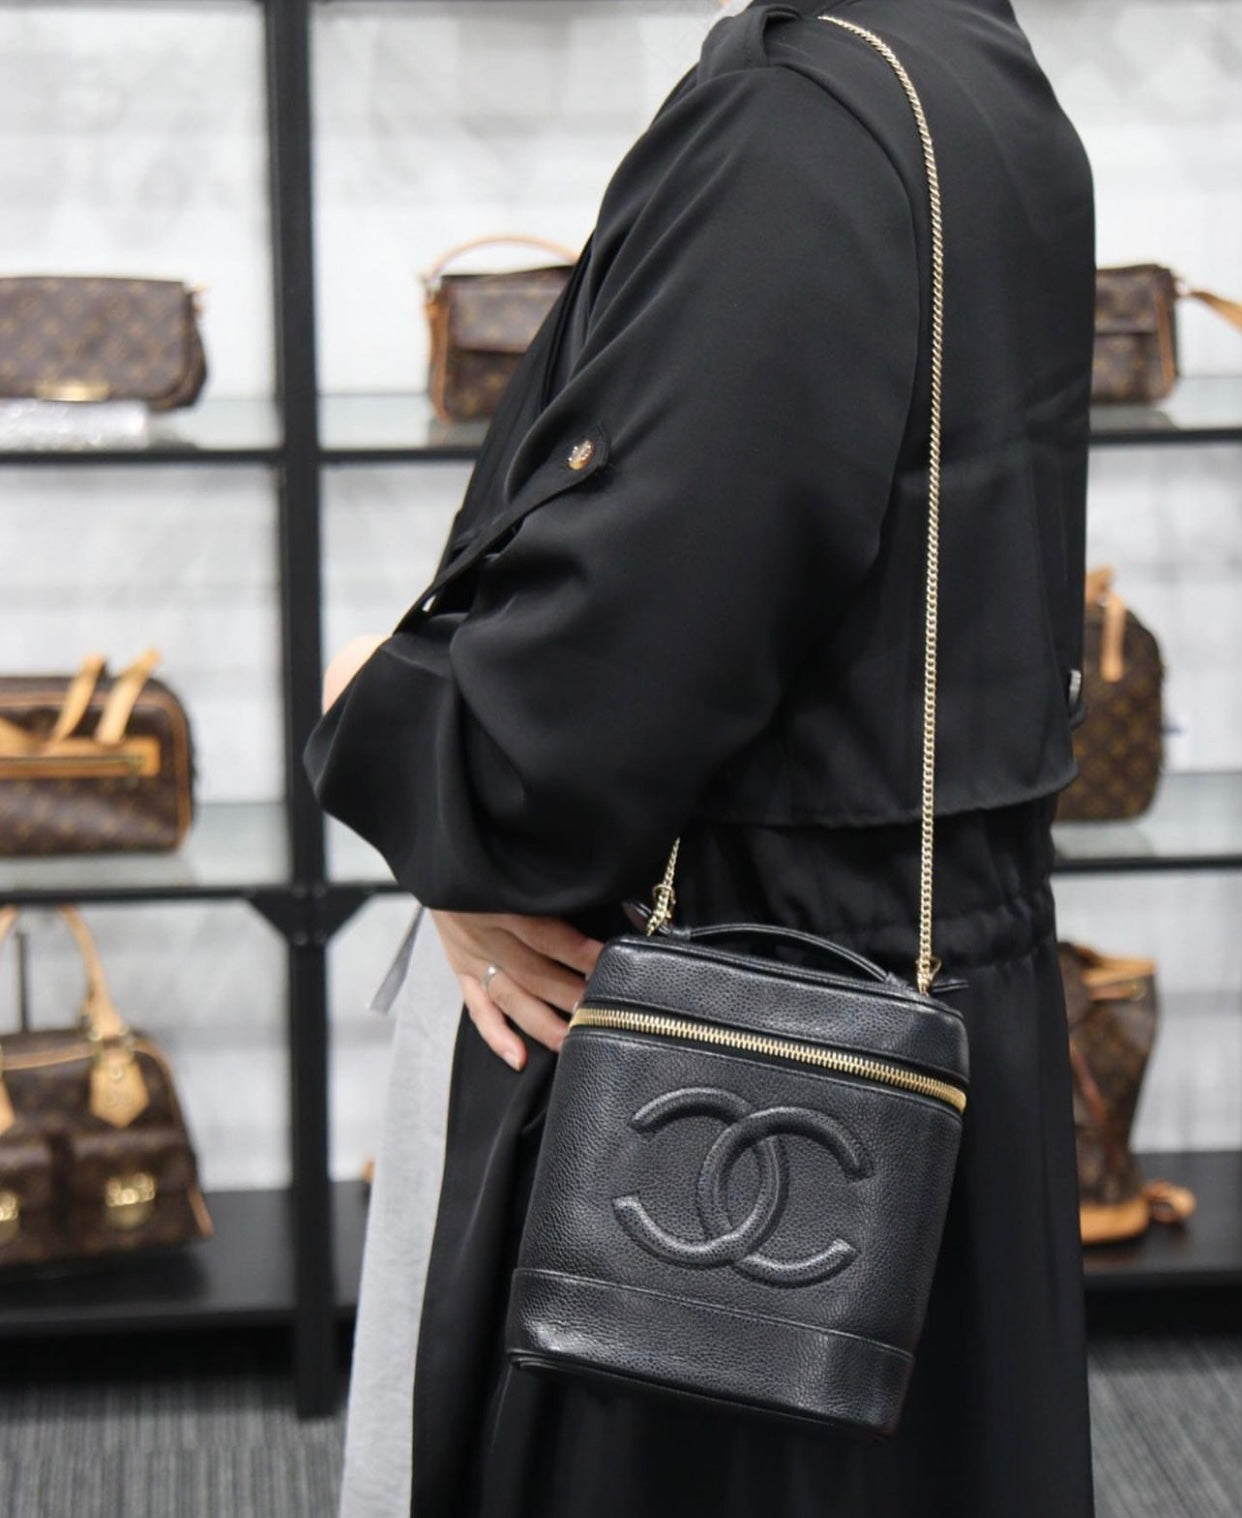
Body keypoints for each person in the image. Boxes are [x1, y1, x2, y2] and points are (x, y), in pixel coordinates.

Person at [307, 0, 1098, 1513]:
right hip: (890, 1001)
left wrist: (393, 729)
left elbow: (580, 722)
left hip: (721, 1037)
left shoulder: (799, 125)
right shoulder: (965, 70)